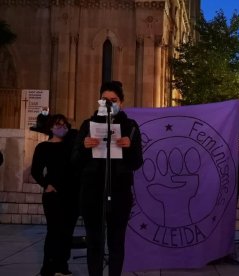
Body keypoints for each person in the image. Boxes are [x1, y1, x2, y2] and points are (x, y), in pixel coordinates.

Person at [72, 81, 143, 276]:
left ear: (121, 102)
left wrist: (128, 147)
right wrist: (84, 148)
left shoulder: (131, 127)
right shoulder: (88, 125)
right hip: (92, 192)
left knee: (116, 242)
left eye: (114, 100)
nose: (109, 104)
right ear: (99, 102)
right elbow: (75, 162)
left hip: (119, 192)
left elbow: (137, 162)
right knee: (94, 241)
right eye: (105, 100)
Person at [31, 114, 79, 276]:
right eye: (58, 124)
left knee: (67, 232)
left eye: (64, 124)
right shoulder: (43, 147)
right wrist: (47, 185)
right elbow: (35, 171)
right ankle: (48, 267)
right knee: (54, 231)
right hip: (53, 197)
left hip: (72, 196)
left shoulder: (71, 145)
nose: (62, 127)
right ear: (50, 127)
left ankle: (62, 266)